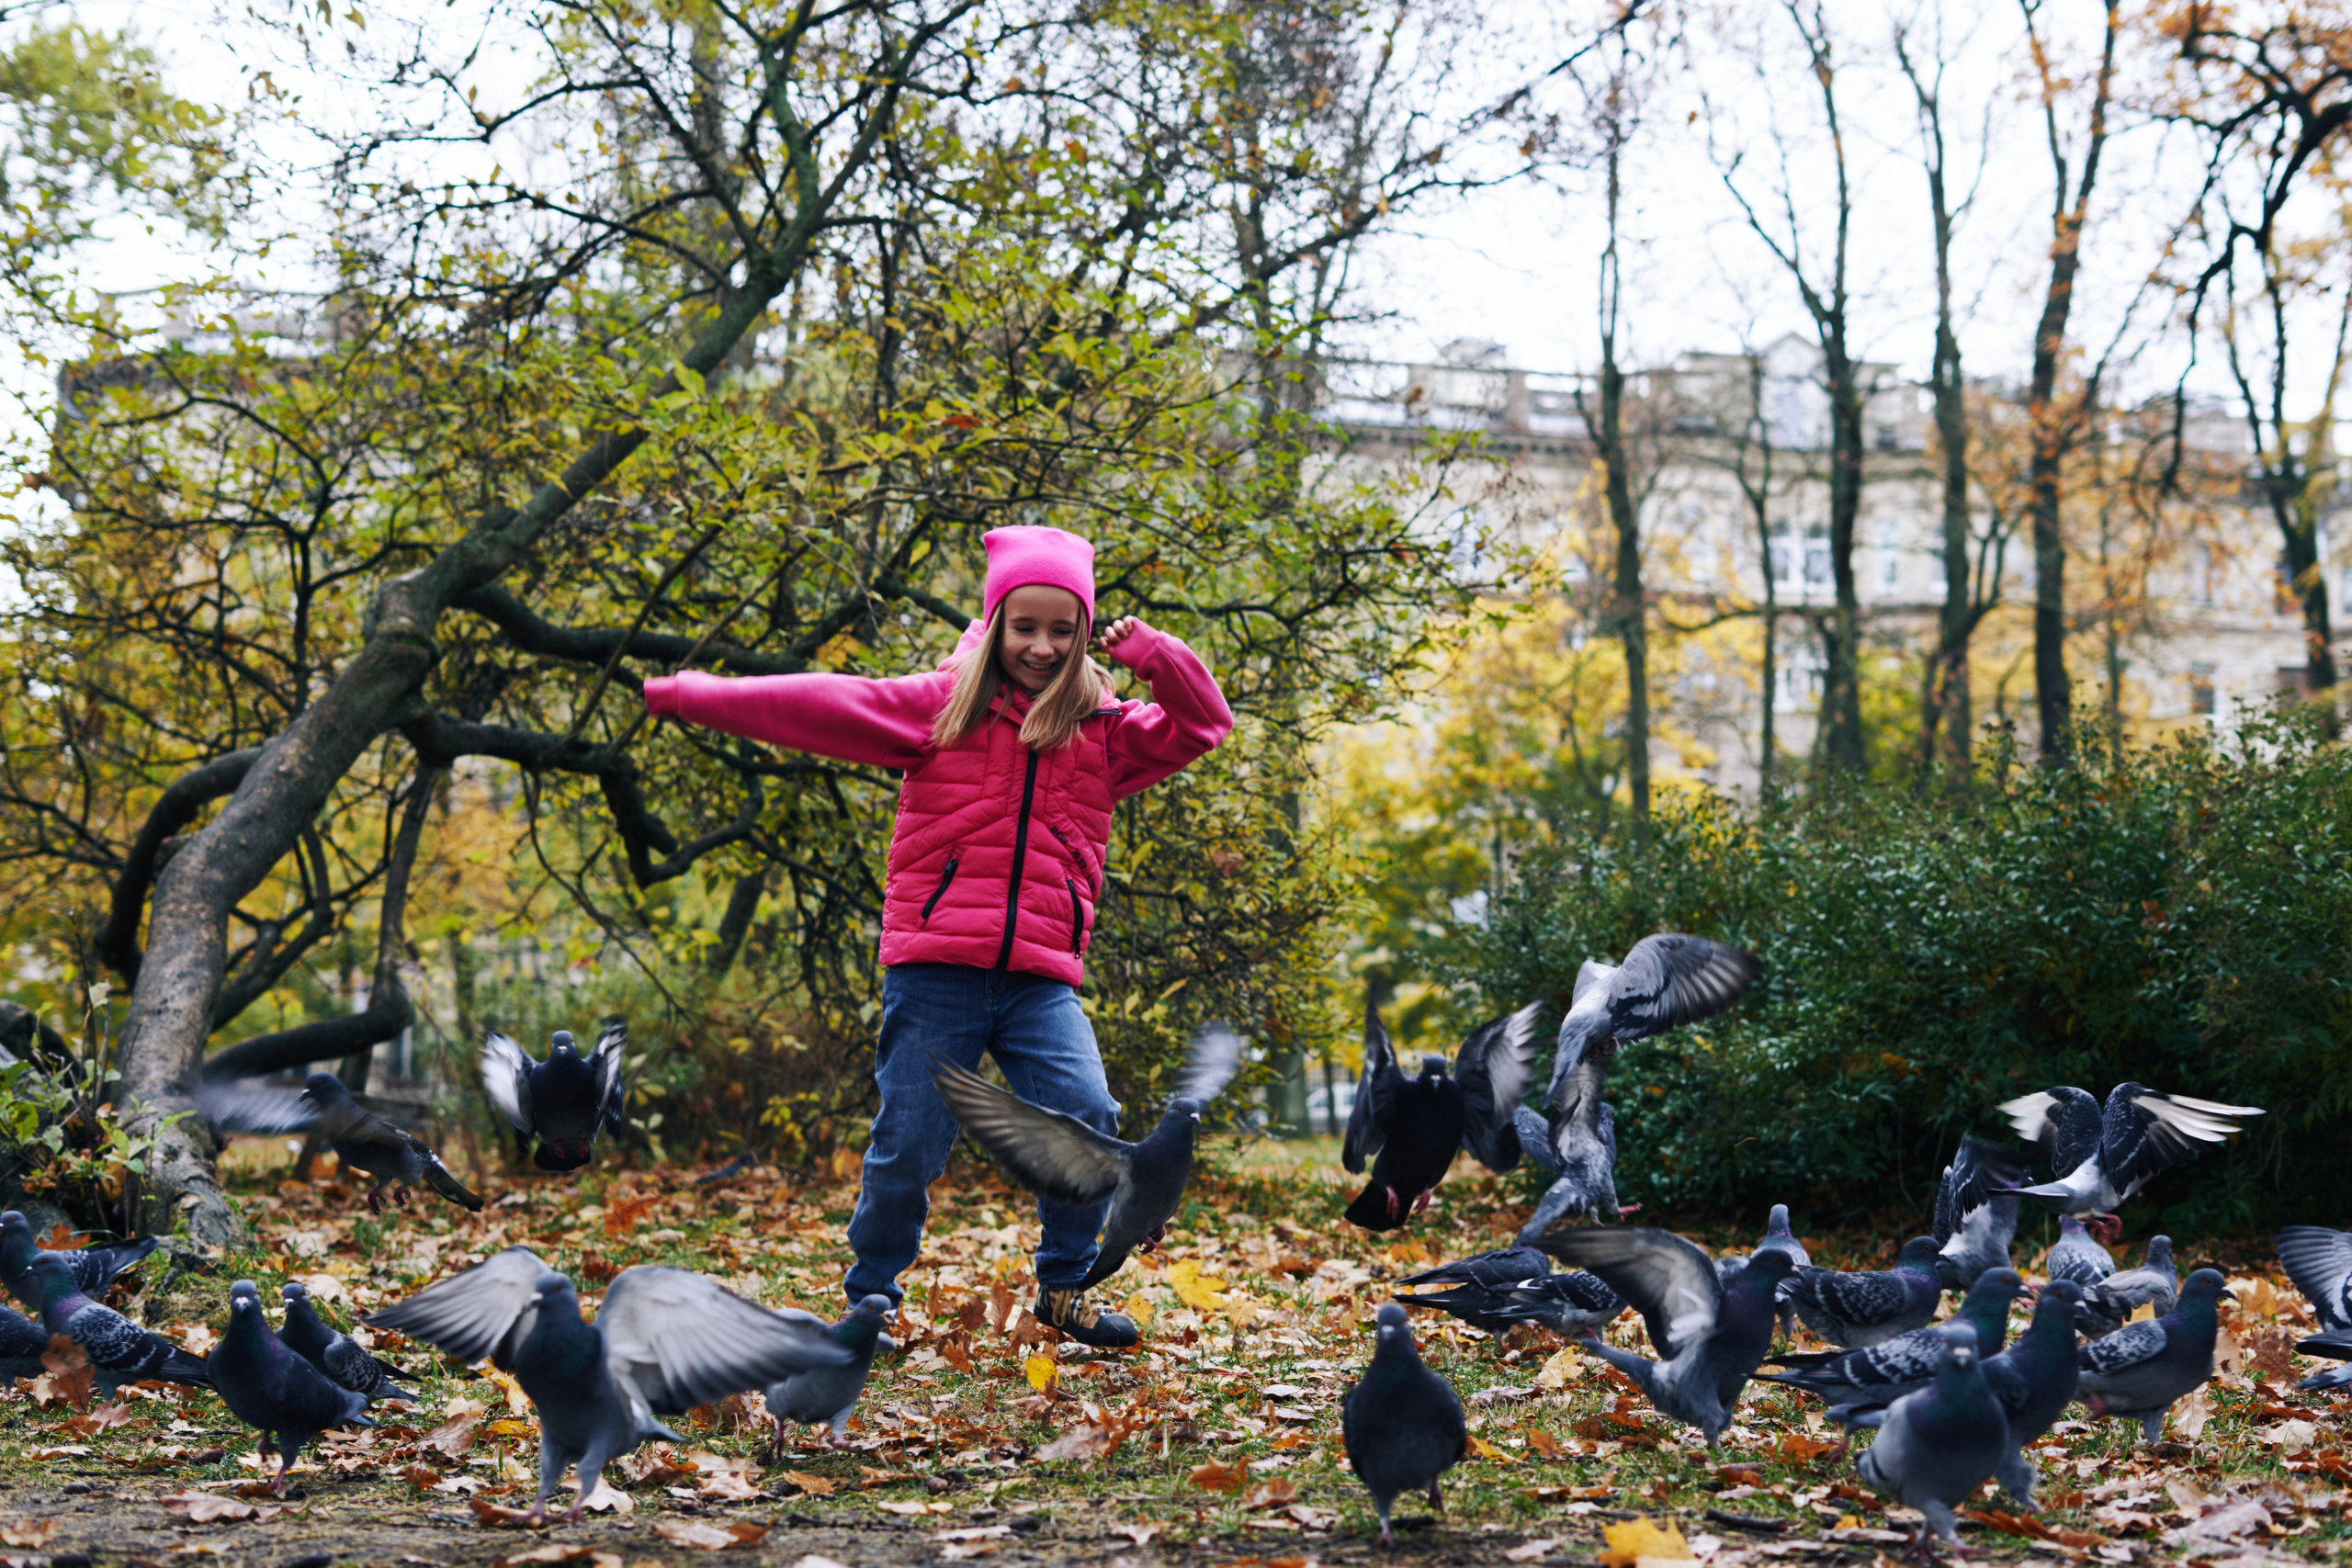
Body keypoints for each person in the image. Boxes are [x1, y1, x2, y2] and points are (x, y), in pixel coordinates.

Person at [640, 525, 1233, 1348]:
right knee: (908, 1145)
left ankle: (1064, 1284)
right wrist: (689, 695)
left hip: (1039, 980)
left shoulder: (1105, 732)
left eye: (1063, 629)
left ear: (1083, 632)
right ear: (995, 623)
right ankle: (871, 1298)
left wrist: (1156, 654)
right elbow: (818, 704)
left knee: (1089, 1113)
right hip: (934, 972)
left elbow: (1204, 724)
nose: (1042, 645)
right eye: (1024, 626)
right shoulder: (940, 707)